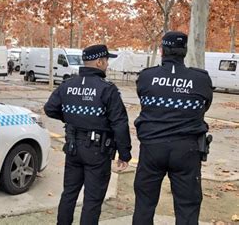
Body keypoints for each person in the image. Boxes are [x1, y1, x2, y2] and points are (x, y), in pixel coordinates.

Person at [44, 44, 132, 225]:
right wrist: (124, 154)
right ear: (99, 62)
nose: (107, 64)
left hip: (73, 147)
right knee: (92, 200)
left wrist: (71, 118)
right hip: (97, 152)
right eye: (106, 60)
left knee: (69, 193)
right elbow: (119, 123)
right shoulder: (107, 89)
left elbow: (50, 109)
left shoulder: (68, 84)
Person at [133, 31, 214, 225]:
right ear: (184, 51)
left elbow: (144, 100)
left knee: (144, 203)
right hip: (187, 150)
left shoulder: (146, 77)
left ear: (162, 51)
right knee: (187, 206)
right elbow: (205, 105)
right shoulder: (201, 79)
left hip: (152, 148)